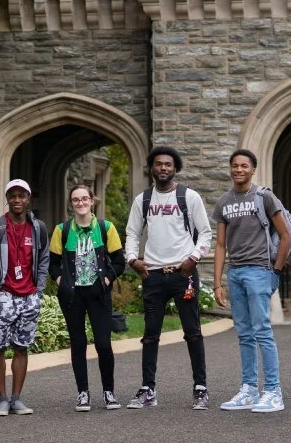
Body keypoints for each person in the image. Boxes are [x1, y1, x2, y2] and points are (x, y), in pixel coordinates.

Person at [124, 146, 213, 410]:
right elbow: (131, 233)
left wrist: (193, 258)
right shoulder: (143, 200)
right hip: (152, 275)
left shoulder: (189, 197)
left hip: (183, 273)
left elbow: (206, 233)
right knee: (150, 334)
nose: (163, 168)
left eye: (168, 165)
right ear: (152, 168)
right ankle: (148, 389)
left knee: (193, 332)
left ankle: (200, 389)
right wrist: (132, 260)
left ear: (175, 168)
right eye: (159, 164)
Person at [213, 149, 291, 413]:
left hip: (259, 270)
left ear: (253, 169)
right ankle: (248, 389)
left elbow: (286, 235)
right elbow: (221, 245)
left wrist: (275, 271)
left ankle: (273, 391)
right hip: (235, 273)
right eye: (234, 165)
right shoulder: (224, 202)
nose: (238, 169)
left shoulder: (264, 197)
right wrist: (217, 282)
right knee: (244, 334)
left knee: (262, 331)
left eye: (244, 165)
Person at [0, 179, 50, 416]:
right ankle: (2, 400)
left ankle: (16, 400)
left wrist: (38, 289)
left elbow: (44, 258)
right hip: (4, 297)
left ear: (29, 199)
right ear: (7, 199)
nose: (17, 200)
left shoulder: (38, 228)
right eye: (12, 196)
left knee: (21, 348)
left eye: (22, 196)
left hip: (29, 298)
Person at [49, 185, 126, 412]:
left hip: (98, 294)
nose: (80, 203)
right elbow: (53, 263)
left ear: (92, 201)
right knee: (78, 343)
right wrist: (60, 281)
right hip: (72, 296)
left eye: (84, 199)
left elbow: (119, 262)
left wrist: (106, 280)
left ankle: (108, 392)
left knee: (103, 344)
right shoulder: (61, 230)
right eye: (75, 200)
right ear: (71, 203)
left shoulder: (105, 228)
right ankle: (83, 393)